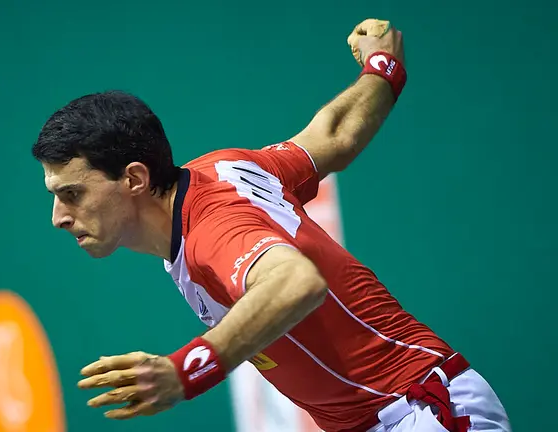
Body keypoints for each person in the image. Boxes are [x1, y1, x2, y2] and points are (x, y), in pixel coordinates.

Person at [31, 18, 511, 432]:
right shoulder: (220, 171)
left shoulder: (212, 230)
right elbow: (334, 136)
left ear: (134, 178)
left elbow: (295, 281)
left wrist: (187, 370)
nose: (59, 217)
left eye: (72, 194)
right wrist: (383, 68)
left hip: (420, 410)